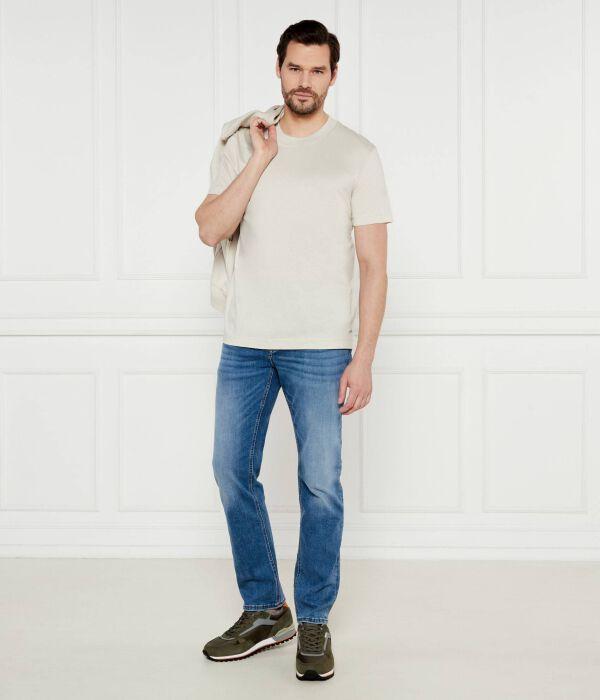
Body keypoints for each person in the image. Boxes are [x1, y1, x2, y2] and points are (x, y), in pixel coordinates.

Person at [194, 19, 393, 681]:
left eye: (317, 70)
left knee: (321, 486)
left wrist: (363, 357)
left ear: (333, 75)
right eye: (294, 68)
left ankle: (312, 619)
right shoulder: (244, 140)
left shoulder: (357, 154)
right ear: (278, 69)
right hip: (247, 342)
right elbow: (210, 228)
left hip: (321, 347)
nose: (304, 81)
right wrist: (260, 159)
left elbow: (374, 265)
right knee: (230, 471)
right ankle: (264, 608)